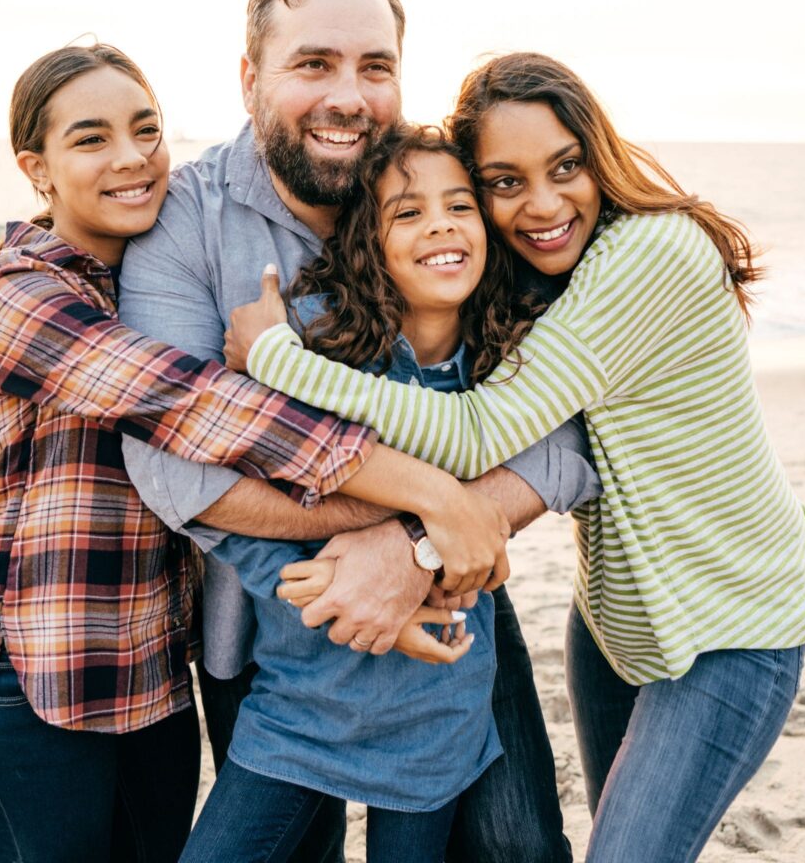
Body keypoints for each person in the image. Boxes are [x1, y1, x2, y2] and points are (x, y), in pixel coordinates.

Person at [229, 51, 805, 863]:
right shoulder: (549, 274)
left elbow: (479, 433)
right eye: (505, 184)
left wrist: (276, 356)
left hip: (733, 625)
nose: (543, 204)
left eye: (566, 167)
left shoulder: (647, 255)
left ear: (599, 156)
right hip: (617, 625)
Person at [0, 43, 509, 863]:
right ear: (38, 168)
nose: (133, 158)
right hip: (32, 674)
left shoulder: (145, 270)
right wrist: (435, 495)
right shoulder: (11, 292)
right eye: (91, 139)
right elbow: (194, 405)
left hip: (154, 668)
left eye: (146, 129)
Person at [121, 0, 586, 862]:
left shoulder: (443, 191)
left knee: (518, 849)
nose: (349, 94)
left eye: (375, 67)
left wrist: (415, 546)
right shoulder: (189, 219)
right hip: (269, 634)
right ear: (251, 76)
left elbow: (561, 429)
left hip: (451, 614)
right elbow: (170, 459)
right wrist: (426, 500)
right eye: (314, 64)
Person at [182, 123, 589, 862]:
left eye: (459, 205)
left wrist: (421, 570)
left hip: (440, 701)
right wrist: (316, 589)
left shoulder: (511, 370)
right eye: (406, 212)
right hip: (302, 703)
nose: (438, 222)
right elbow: (230, 500)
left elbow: (543, 476)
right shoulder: (307, 344)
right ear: (366, 240)